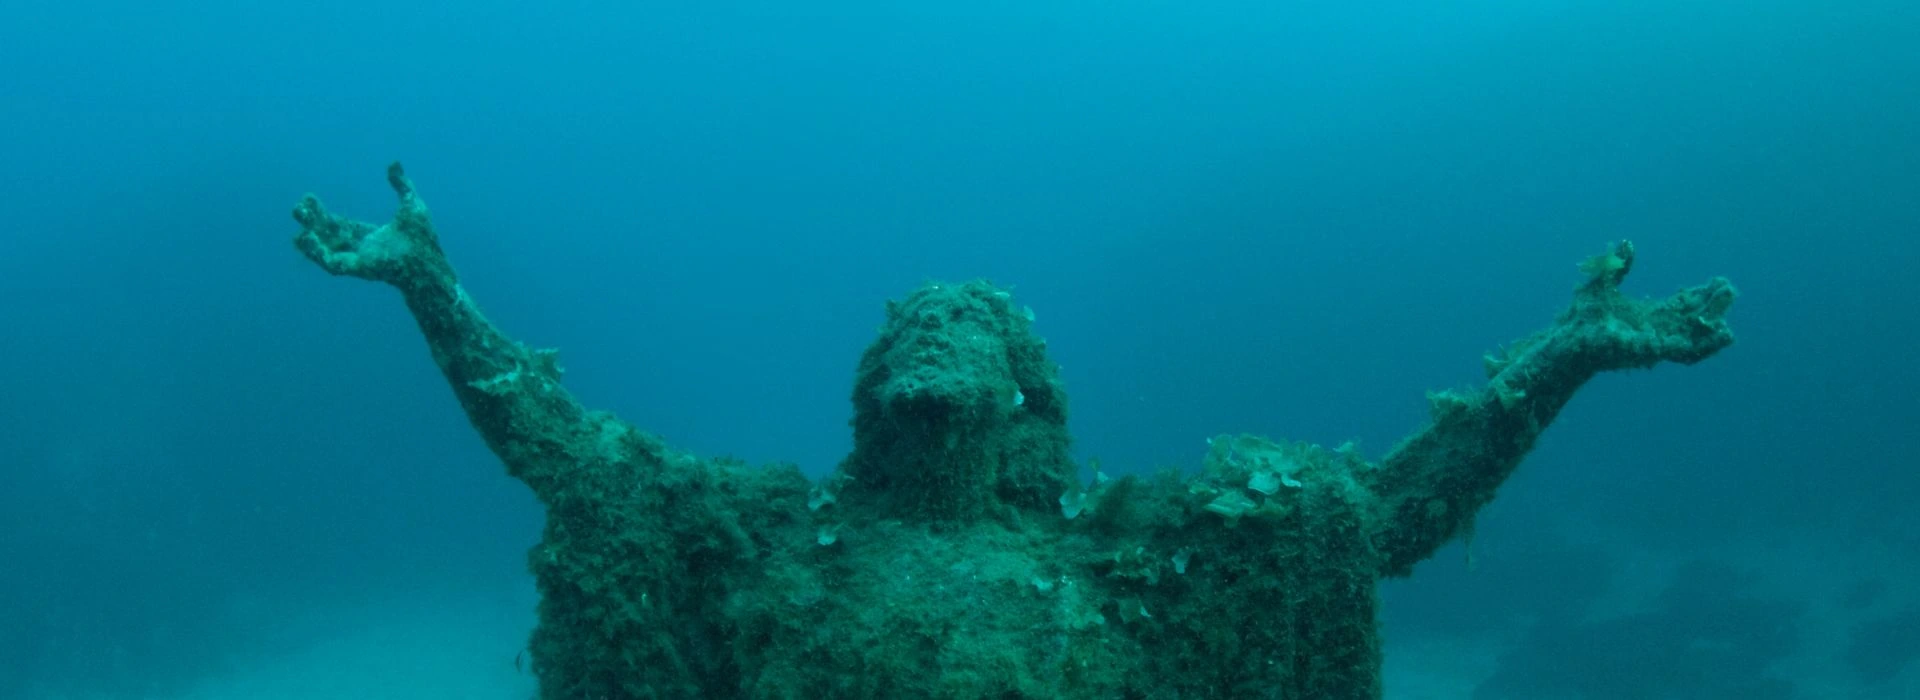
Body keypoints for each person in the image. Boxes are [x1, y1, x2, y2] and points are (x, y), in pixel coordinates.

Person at [291, 163, 1737, 699]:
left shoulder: (1147, 558)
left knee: (1294, 498)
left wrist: (1559, 360)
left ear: (1022, 385)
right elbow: (572, 449)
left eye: (976, 317)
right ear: (872, 386)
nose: (940, 324)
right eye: (910, 318)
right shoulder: (767, 535)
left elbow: (1381, 518)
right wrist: (432, 285)